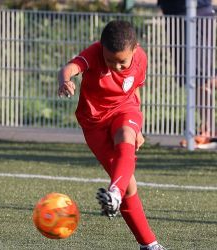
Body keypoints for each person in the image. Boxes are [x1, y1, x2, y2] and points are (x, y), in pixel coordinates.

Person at [58, 20, 165, 250]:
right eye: (110, 61)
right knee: (130, 186)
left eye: (122, 62)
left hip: (126, 110)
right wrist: (64, 80)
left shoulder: (141, 58)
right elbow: (70, 68)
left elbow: (135, 89)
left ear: (135, 49)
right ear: (102, 49)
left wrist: (139, 128)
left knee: (126, 134)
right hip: (94, 124)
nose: (116, 67)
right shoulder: (95, 52)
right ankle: (148, 244)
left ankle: (114, 194)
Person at [158, 0, 216, 147]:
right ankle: (207, 130)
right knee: (188, 75)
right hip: (173, 11)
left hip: (197, 11)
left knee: (200, 76)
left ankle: (208, 131)